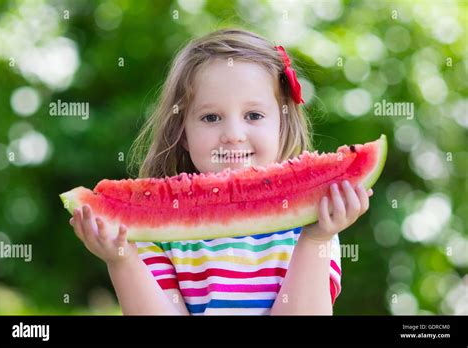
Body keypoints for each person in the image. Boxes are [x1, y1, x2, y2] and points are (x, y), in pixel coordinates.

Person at [69, 28, 373, 315]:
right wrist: (122, 260)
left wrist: (316, 240)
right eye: (211, 117)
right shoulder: (158, 237)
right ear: (182, 132)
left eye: (253, 115)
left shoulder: (314, 224)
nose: (233, 134)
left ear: (283, 127)